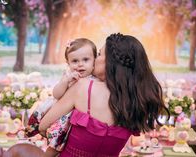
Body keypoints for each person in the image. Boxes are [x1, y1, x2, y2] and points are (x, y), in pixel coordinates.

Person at [39, 33, 167, 157]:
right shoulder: (138, 101)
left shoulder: (83, 87)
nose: (95, 59)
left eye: (99, 54)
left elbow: (43, 126)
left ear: (110, 62)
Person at [27, 38, 97, 156]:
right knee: (55, 143)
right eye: (75, 61)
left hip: (79, 118)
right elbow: (57, 94)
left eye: (85, 59)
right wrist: (65, 82)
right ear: (68, 63)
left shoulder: (95, 79)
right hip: (63, 114)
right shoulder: (69, 76)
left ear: (94, 60)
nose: (80, 64)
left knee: (64, 144)